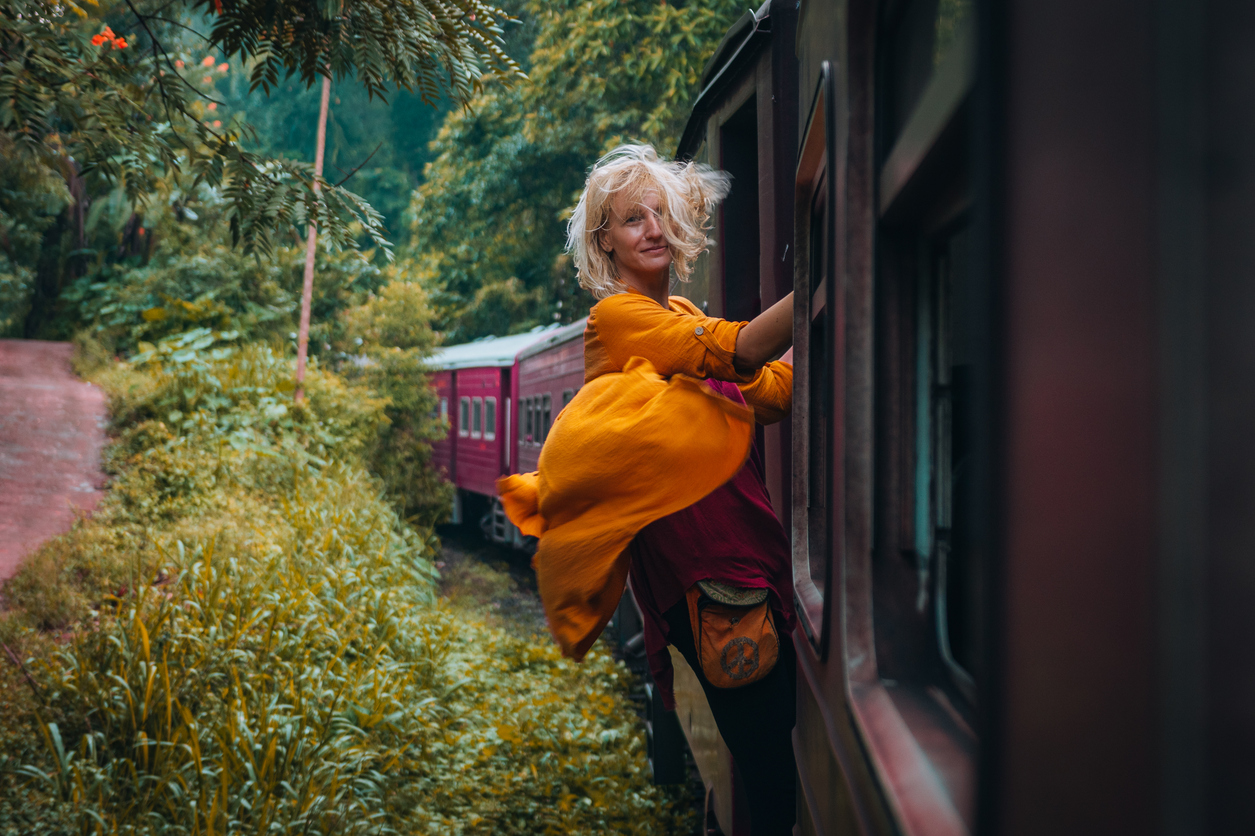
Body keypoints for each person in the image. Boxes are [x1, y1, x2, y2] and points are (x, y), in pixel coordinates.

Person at [498, 144, 796, 834]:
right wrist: (825, 279)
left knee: (772, 763)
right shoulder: (619, 320)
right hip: (706, 577)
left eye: (661, 213)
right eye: (633, 219)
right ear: (605, 240)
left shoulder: (682, 315)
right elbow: (745, 352)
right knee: (771, 782)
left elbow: (772, 392)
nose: (654, 229)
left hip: (750, 558)